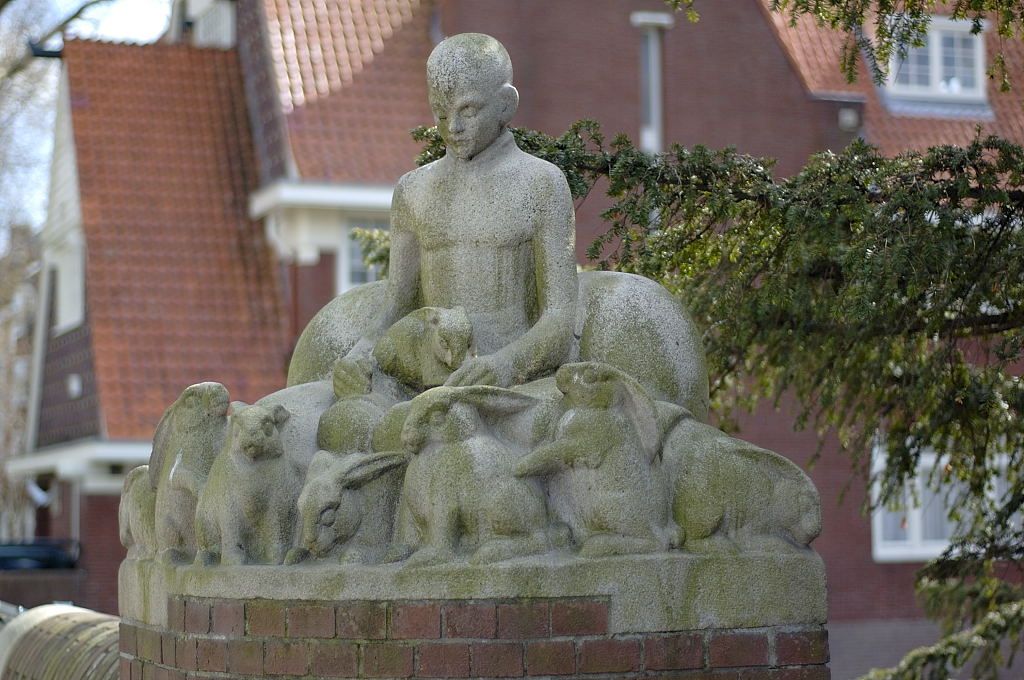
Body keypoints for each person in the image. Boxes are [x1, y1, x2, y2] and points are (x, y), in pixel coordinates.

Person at [338, 33, 578, 390]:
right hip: (425, 377)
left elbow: (560, 318)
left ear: (505, 105)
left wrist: (505, 366)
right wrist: (362, 352)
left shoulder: (541, 183)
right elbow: (396, 305)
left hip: (511, 379)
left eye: (468, 110)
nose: (453, 128)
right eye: (440, 112)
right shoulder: (412, 190)